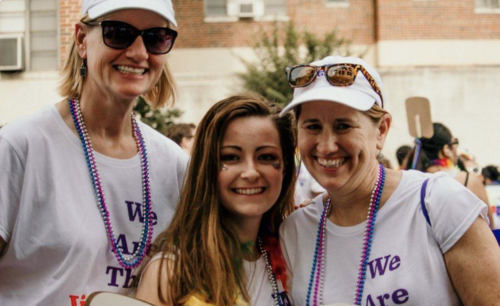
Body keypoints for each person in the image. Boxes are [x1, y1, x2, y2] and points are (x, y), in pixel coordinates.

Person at [0, 1, 188, 305]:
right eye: (118, 33)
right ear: (81, 40)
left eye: (155, 38)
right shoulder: (20, 146)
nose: (139, 53)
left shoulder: (175, 164)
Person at [279, 55, 500, 305]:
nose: (327, 146)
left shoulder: (436, 202)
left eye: (343, 126)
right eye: (312, 127)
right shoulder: (295, 231)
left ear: (381, 130)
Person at [135, 95, 296, 306]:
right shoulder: (172, 272)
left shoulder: (292, 252)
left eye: (266, 157)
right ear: (207, 168)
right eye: (230, 157)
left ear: (285, 168)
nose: (250, 173)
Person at [405, 123, 493, 228]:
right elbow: (489, 225)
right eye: (455, 143)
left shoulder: (409, 180)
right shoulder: (468, 180)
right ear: (446, 149)